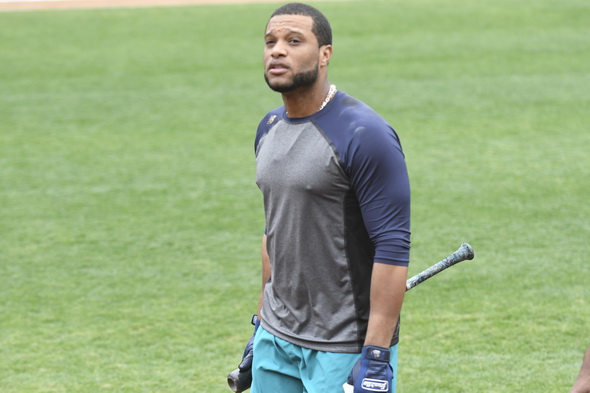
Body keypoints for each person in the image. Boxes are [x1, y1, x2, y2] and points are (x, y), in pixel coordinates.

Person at [239, 3, 411, 393]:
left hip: (343, 348)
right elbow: (274, 231)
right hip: (276, 338)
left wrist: (376, 355)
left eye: (293, 41)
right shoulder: (268, 129)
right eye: (270, 42)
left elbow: (393, 245)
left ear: (324, 54)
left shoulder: (364, 134)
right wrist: (261, 323)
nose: (277, 50)